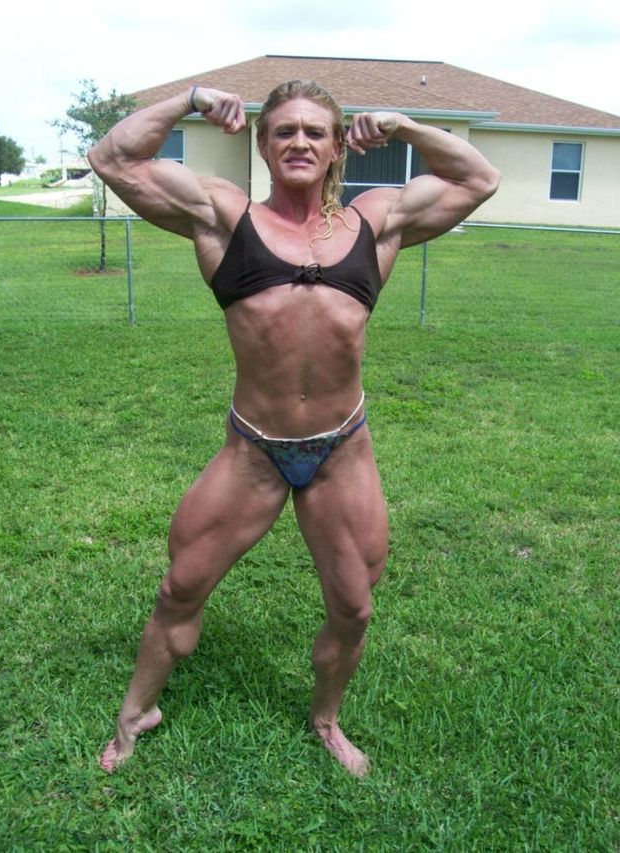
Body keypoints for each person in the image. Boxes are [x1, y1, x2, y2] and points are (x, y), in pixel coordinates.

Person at [88, 79, 499, 778]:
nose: (300, 142)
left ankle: (326, 719)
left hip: (342, 451)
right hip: (254, 449)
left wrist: (403, 123)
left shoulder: (376, 222)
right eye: (284, 131)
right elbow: (113, 160)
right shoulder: (224, 216)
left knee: (354, 608)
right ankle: (135, 715)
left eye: (315, 131)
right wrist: (189, 100)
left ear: (337, 147)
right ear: (263, 145)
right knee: (180, 588)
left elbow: (478, 178)